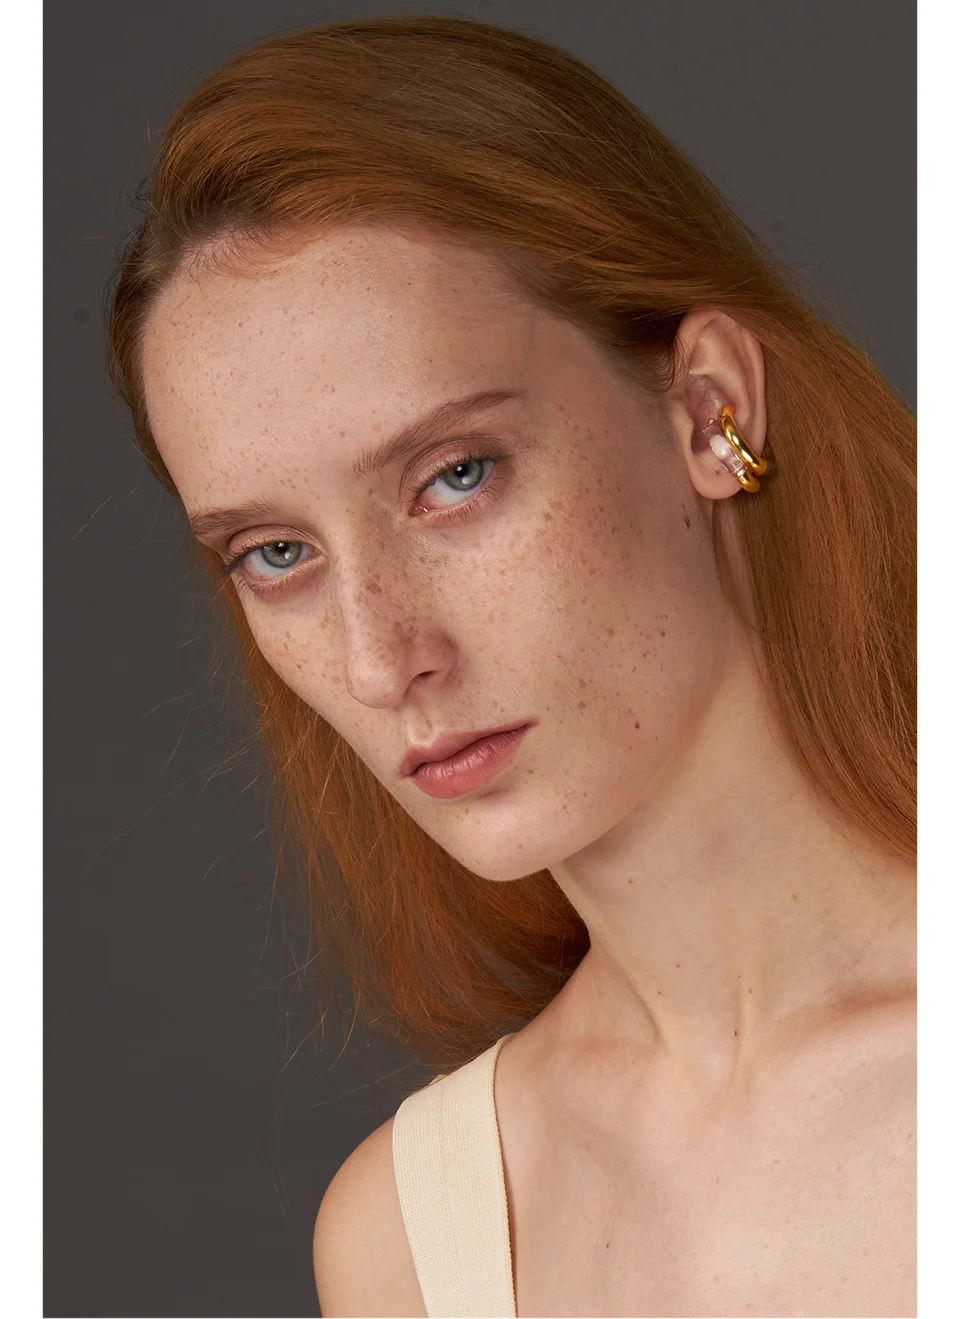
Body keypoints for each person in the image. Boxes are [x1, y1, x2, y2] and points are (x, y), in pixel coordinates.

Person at [107, 15, 916, 1318]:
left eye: (455, 476)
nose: (381, 658)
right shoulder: (409, 1241)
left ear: (709, 409)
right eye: (276, 553)